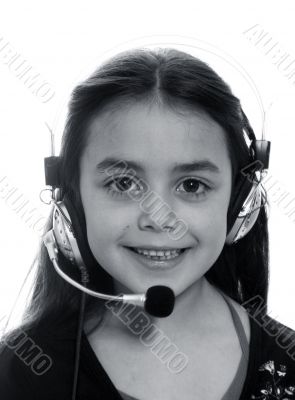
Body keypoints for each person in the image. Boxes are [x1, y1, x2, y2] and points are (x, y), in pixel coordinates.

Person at [0, 47, 295, 400]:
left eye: (192, 185)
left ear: (239, 202)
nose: (159, 218)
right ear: (72, 201)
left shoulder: (287, 362)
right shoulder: (21, 371)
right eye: (123, 183)